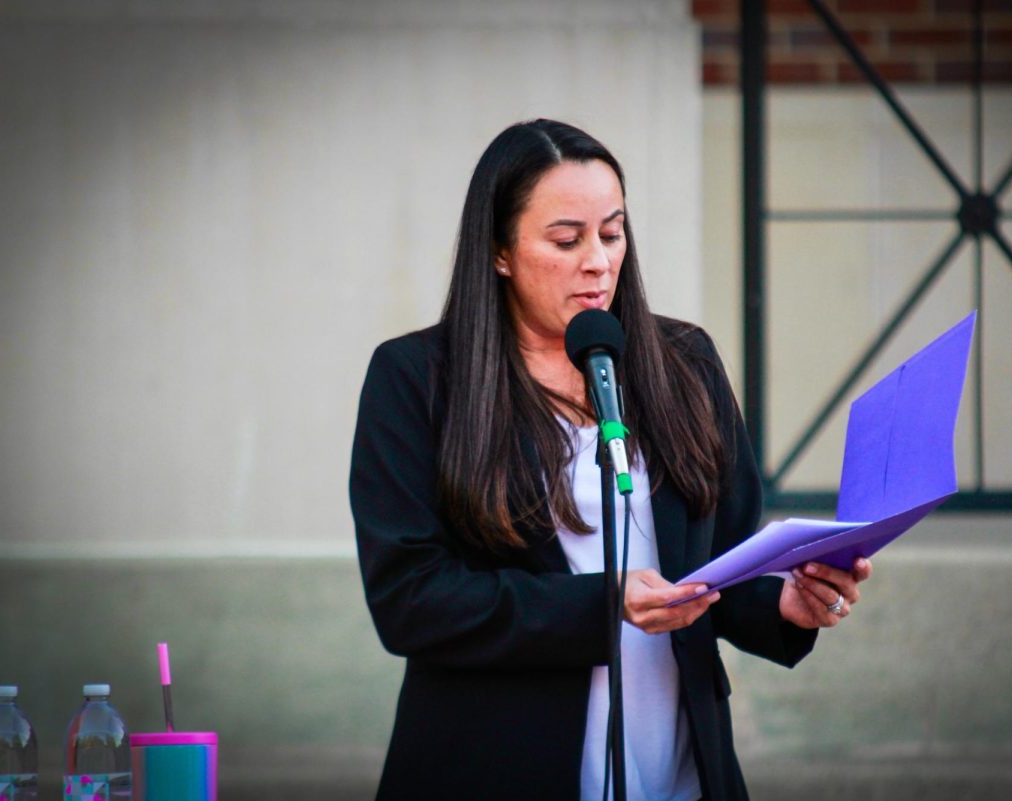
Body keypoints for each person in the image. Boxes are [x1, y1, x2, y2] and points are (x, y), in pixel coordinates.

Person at [349, 118, 872, 801]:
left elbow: (726, 562)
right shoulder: (418, 379)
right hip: (495, 763)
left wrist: (788, 602)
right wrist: (602, 603)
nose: (597, 259)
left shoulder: (684, 362)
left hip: (678, 769)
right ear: (499, 251)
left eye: (612, 231)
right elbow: (410, 599)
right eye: (565, 239)